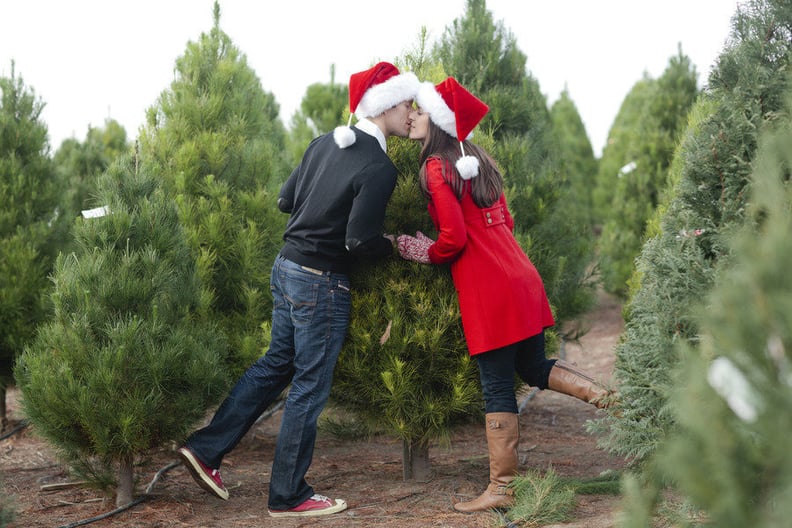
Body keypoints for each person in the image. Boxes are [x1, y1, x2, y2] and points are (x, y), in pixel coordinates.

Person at [177, 61, 419, 518]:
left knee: (276, 364)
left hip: (286, 266)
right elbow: (358, 241)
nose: (412, 112)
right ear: (386, 103)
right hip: (322, 283)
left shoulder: (323, 143)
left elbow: (285, 200)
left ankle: (205, 450)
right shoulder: (378, 165)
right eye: (408, 102)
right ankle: (287, 495)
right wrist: (394, 245)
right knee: (309, 385)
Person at [397, 77, 615, 513]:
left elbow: (453, 240)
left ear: (438, 121)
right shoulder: (480, 160)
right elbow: (506, 224)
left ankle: (502, 487)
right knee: (534, 366)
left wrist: (418, 249)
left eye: (420, 110)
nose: (413, 117)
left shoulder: (437, 167)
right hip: (521, 276)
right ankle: (615, 401)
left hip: (488, 287)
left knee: (496, 385)